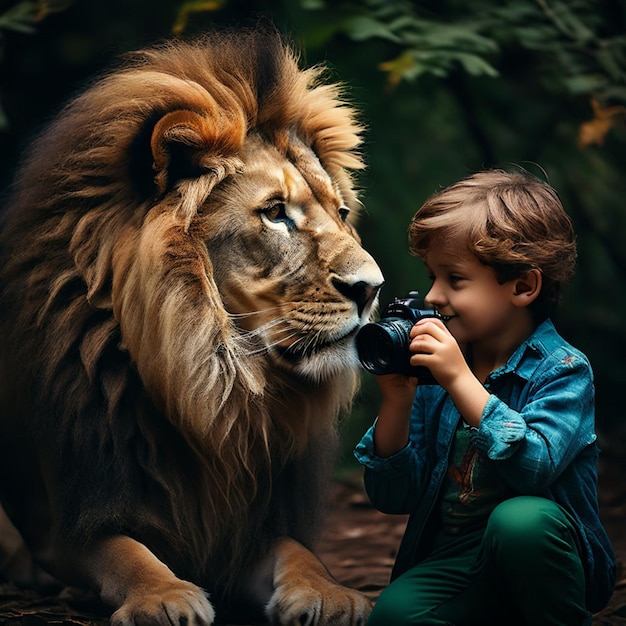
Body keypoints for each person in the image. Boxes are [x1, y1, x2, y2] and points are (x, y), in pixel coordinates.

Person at [354, 168, 616, 626]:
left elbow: (533, 468)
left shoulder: (563, 370)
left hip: (542, 560)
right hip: (454, 558)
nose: (433, 296)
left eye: (454, 279)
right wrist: (397, 401)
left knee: (521, 521)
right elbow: (395, 496)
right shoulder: (438, 369)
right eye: (431, 276)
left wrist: (459, 379)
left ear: (522, 287)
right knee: (391, 617)